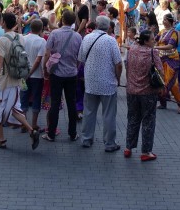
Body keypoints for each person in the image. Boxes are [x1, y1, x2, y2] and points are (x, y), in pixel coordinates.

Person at [0, 12, 40, 150]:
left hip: (4, 79)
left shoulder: (2, 40)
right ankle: (31, 130)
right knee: (14, 108)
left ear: (4, 23)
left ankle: (1, 140)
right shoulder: (20, 37)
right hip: (16, 78)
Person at [78, 15, 122, 151]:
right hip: (108, 83)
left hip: (90, 82)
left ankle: (86, 139)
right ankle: (109, 143)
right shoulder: (111, 41)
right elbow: (118, 64)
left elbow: (80, 59)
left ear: (96, 25)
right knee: (109, 114)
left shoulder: (87, 38)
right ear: (108, 27)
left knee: (89, 112)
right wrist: (118, 78)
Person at [41, 9, 82, 142]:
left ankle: (51, 133)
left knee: (55, 103)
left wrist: (45, 68)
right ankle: (72, 133)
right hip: (71, 74)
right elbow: (80, 57)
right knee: (71, 103)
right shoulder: (77, 36)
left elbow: (47, 53)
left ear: (62, 20)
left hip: (56, 73)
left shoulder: (54, 33)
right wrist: (75, 67)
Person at [124, 30, 162, 161]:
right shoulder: (152, 52)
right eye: (152, 39)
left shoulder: (132, 49)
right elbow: (160, 70)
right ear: (146, 41)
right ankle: (146, 151)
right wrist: (161, 86)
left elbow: (127, 65)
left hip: (131, 90)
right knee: (148, 121)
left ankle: (128, 147)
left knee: (132, 119)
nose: (154, 41)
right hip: (148, 92)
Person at [154, 13, 180, 113]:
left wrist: (156, 47)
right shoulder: (162, 31)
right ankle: (163, 103)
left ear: (170, 21)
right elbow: (154, 40)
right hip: (160, 59)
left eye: (165, 20)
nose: (163, 21)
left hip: (171, 60)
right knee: (160, 81)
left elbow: (170, 46)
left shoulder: (174, 33)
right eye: (163, 19)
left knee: (173, 83)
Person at [21, 18, 47, 132]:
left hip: (24, 73)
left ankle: (23, 123)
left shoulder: (23, 38)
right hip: (37, 76)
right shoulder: (42, 41)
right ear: (41, 28)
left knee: (24, 98)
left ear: (30, 27)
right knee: (36, 98)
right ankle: (34, 124)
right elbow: (38, 60)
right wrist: (31, 72)